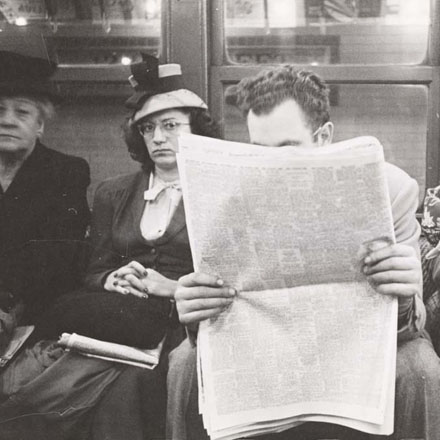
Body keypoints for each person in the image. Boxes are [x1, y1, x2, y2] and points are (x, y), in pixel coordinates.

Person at [167, 65, 440, 440]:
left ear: (324, 136)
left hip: (351, 347)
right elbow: (213, 304)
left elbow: (414, 322)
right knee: (184, 361)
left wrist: (405, 292)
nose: (271, 166)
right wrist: (194, 310)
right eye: (259, 152)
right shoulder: (227, 196)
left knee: (420, 367)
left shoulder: (391, 190)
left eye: (287, 149)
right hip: (263, 343)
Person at [0, 53, 220, 440]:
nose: (158, 137)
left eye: (171, 125)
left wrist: (168, 287)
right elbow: (91, 268)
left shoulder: (219, 192)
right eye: (148, 128)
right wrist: (109, 278)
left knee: (128, 389)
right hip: (112, 318)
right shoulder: (113, 192)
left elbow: (226, 277)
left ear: (197, 129)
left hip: (181, 324)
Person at [0, 50, 90, 332]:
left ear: (40, 125)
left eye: (22, 112)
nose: (8, 120)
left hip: (34, 312)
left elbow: (56, 259)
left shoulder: (66, 172)